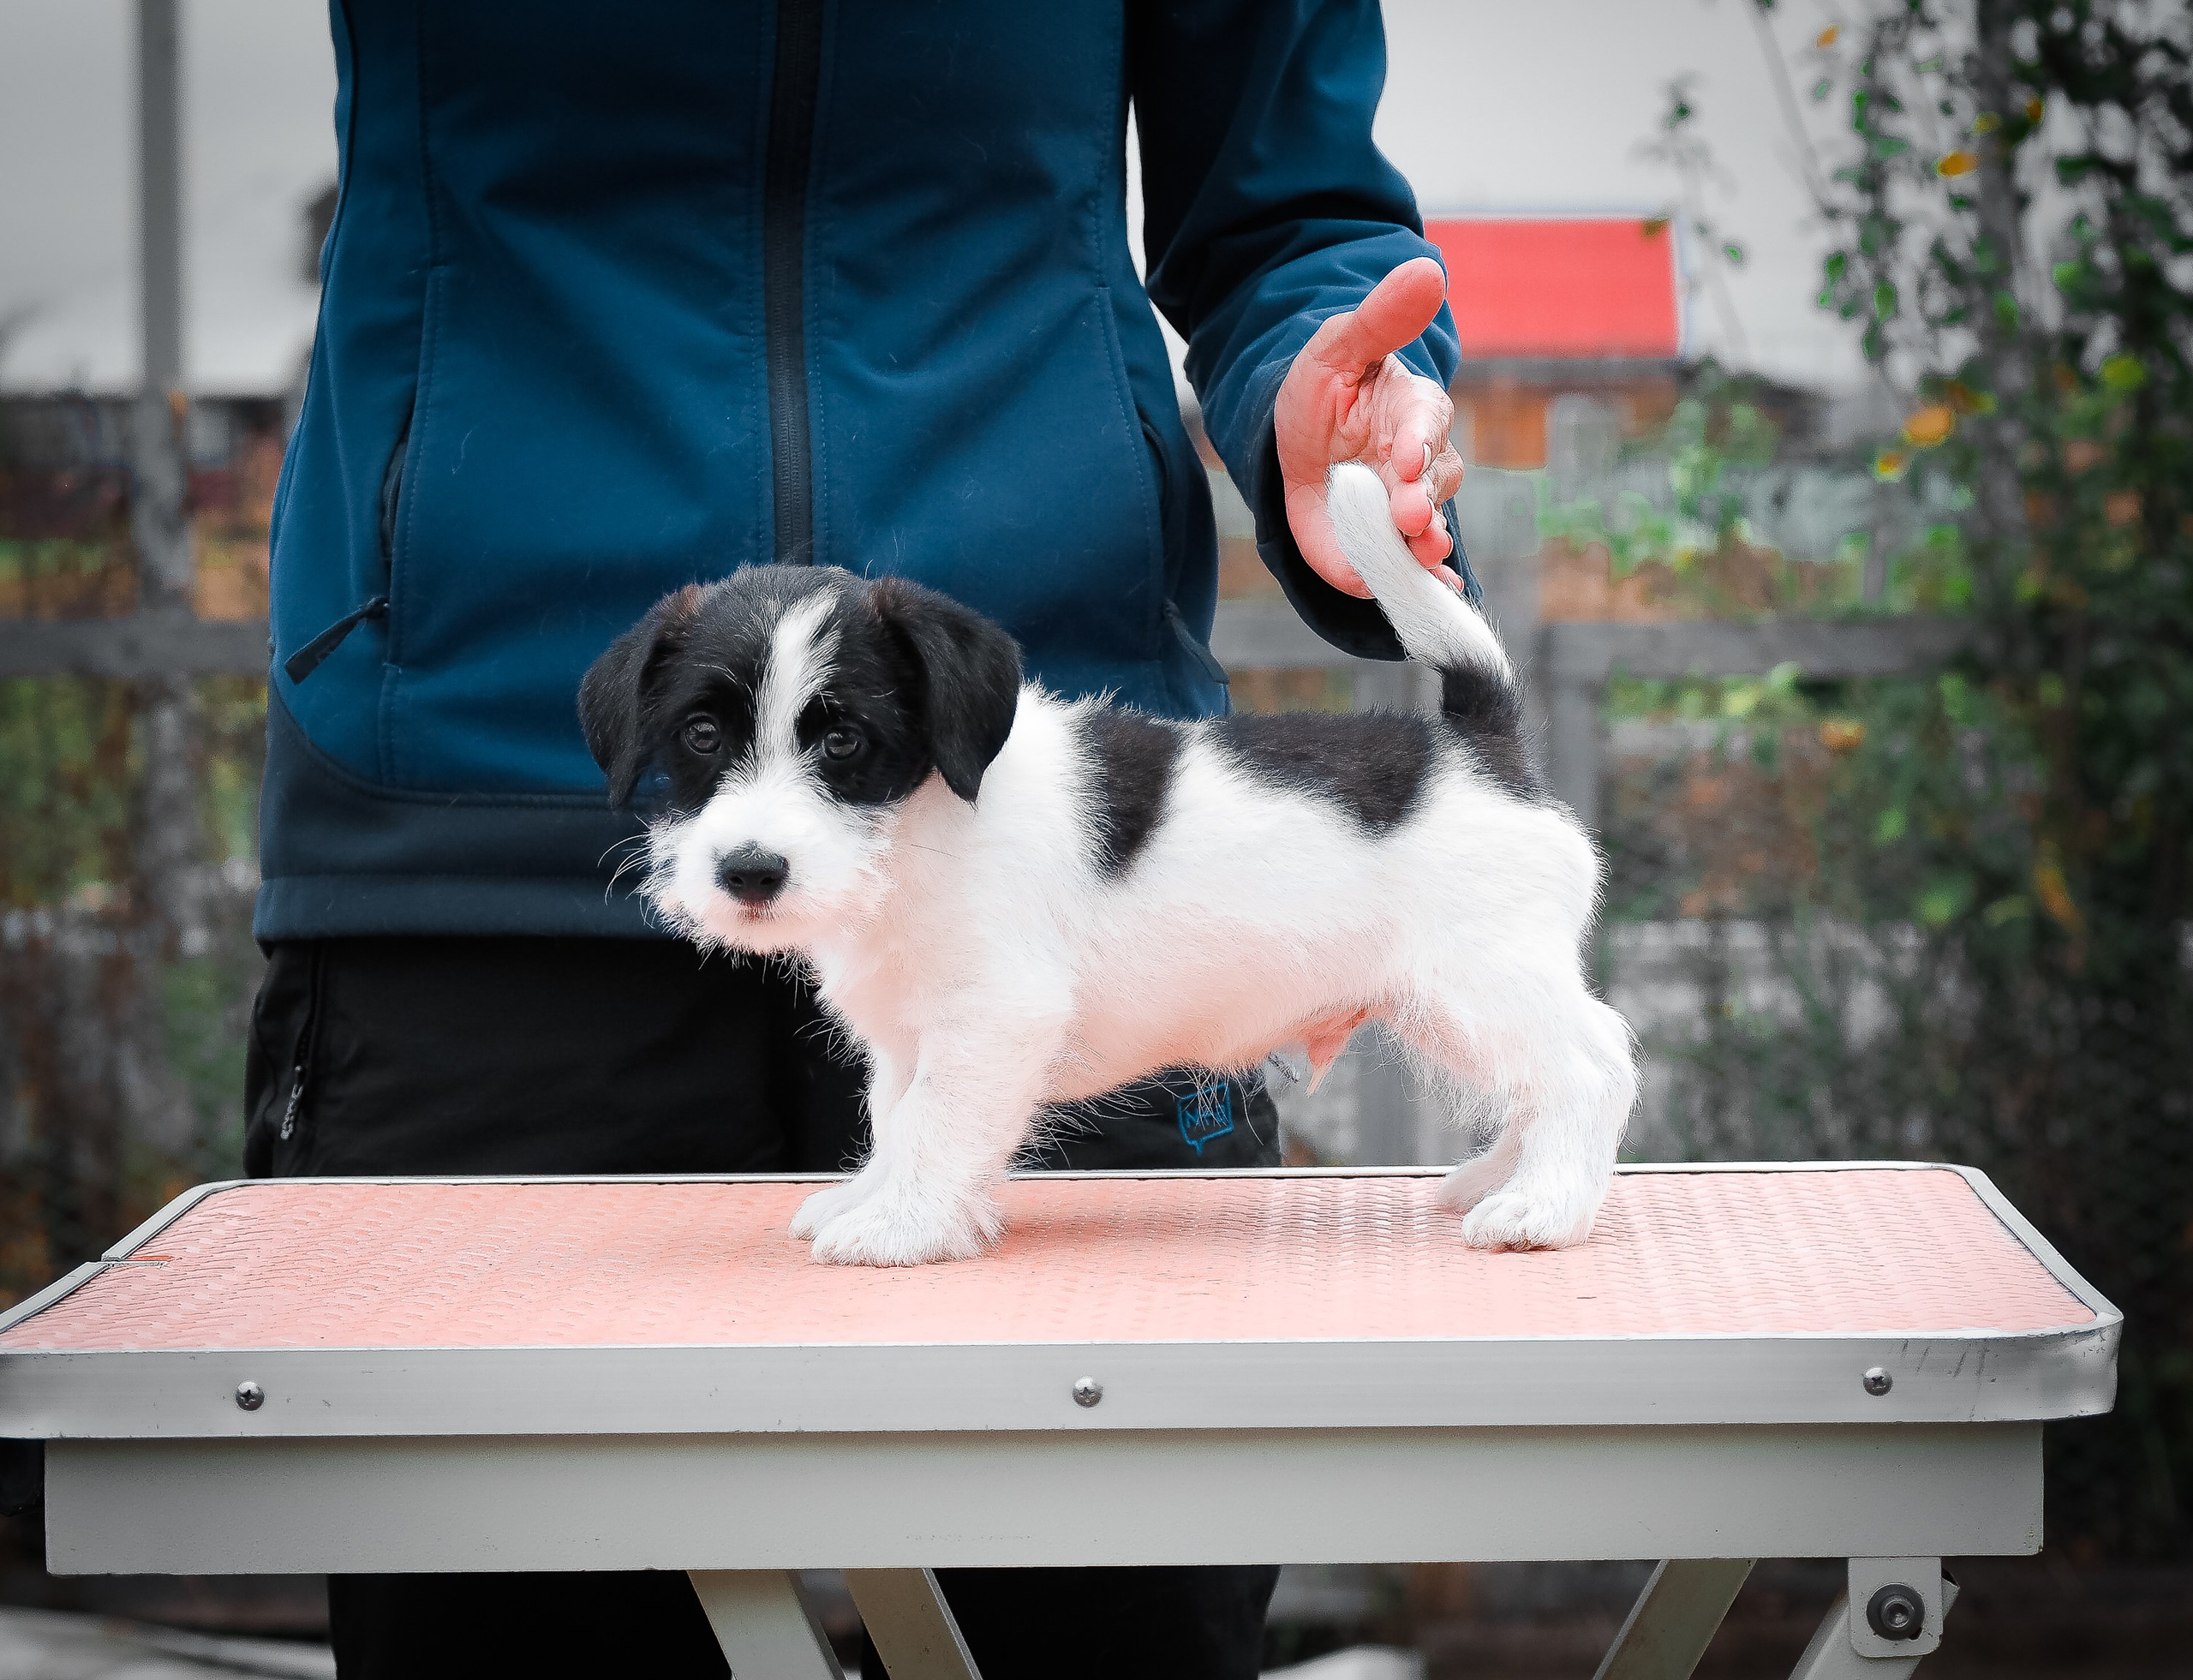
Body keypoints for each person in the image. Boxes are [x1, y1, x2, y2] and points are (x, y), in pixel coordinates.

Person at [245, 3, 1473, 1676]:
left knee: (1107, 1631)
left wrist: (1326, 406)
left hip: (1051, 846)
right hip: (476, 826)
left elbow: (1285, 211)